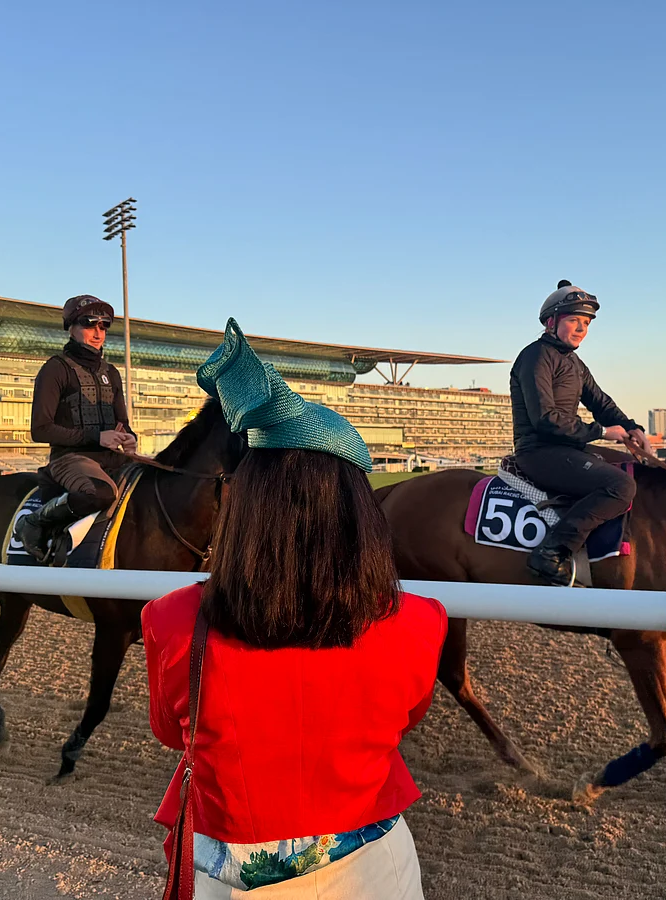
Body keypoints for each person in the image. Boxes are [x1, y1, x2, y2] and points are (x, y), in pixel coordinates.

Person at [142, 319, 447, 899]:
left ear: (243, 504)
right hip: (374, 865)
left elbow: (168, 731)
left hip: (228, 873)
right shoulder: (421, 620)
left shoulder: (169, 619)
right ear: (359, 511)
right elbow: (407, 716)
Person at [510, 279, 650, 584]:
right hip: (539, 452)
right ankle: (552, 552)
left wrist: (631, 427)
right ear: (551, 322)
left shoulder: (574, 362)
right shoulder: (535, 356)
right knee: (620, 486)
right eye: (574, 320)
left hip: (568, 448)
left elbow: (600, 401)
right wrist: (601, 431)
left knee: (634, 469)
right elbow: (545, 419)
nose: (581, 329)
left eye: (586, 323)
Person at [14, 294, 137, 561]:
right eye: (89, 323)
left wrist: (129, 438)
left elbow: (122, 423)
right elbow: (41, 429)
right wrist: (97, 437)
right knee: (102, 494)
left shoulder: (112, 372)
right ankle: (34, 522)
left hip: (112, 458)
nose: (98, 332)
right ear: (71, 326)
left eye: (104, 325)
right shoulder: (55, 369)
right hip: (70, 458)